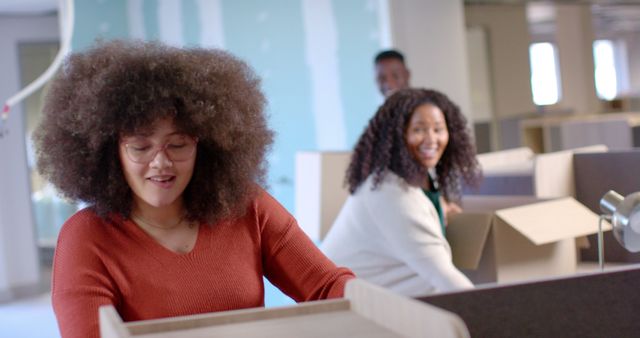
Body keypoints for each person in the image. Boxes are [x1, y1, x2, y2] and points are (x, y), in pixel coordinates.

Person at [33, 40, 355, 338]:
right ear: (110, 151)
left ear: (206, 144)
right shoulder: (86, 239)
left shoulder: (249, 207)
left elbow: (327, 286)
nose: (161, 162)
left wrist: (385, 308)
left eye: (178, 144)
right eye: (141, 147)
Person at [321, 88, 481, 297]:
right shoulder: (391, 196)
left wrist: (437, 210)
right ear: (397, 135)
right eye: (419, 129)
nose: (431, 139)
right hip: (347, 311)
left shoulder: (412, 180)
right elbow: (446, 279)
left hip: (372, 302)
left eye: (438, 129)